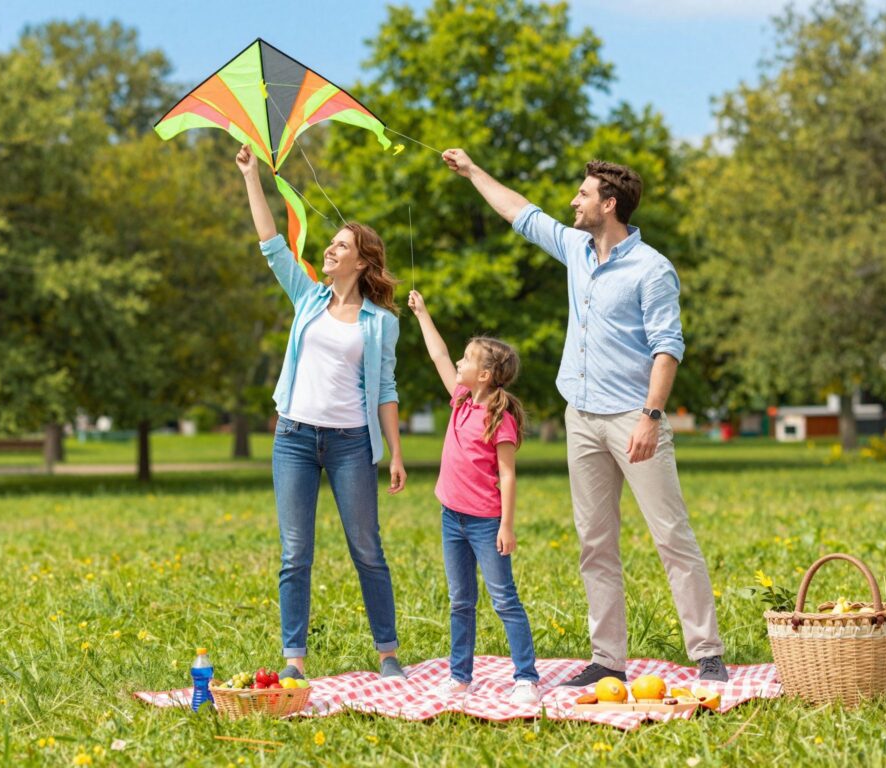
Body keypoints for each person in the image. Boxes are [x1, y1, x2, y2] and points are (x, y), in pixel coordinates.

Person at [441, 149, 728, 683]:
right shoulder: (576, 248)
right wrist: (474, 171)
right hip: (583, 417)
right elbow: (520, 214)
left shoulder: (652, 269)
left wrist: (650, 416)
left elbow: (668, 348)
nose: (573, 201)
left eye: (583, 194)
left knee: (671, 535)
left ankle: (707, 652)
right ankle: (607, 660)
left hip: (633, 418)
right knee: (594, 540)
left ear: (609, 203)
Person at [235, 144, 408, 680]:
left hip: (351, 443)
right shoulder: (308, 298)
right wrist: (250, 177)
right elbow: (271, 245)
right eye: (331, 244)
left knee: (366, 548)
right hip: (293, 438)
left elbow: (385, 389)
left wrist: (396, 453)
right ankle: (294, 662)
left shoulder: (381, 322)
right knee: (295, 553)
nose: (330, 250)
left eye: (340, 246)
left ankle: (388, 654)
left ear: (361, 261)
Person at [407, 288, 541, 704]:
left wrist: (506, 525)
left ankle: (526, 677)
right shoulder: (461, 399)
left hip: (486, 523)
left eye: (469, 360)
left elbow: (508, 474)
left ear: (484, 375)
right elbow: (439, 357)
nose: (460, 364)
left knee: (504, 600)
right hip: (452, 518)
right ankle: (460, 676)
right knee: (460, 600)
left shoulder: (498, 418)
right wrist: (423, 314)